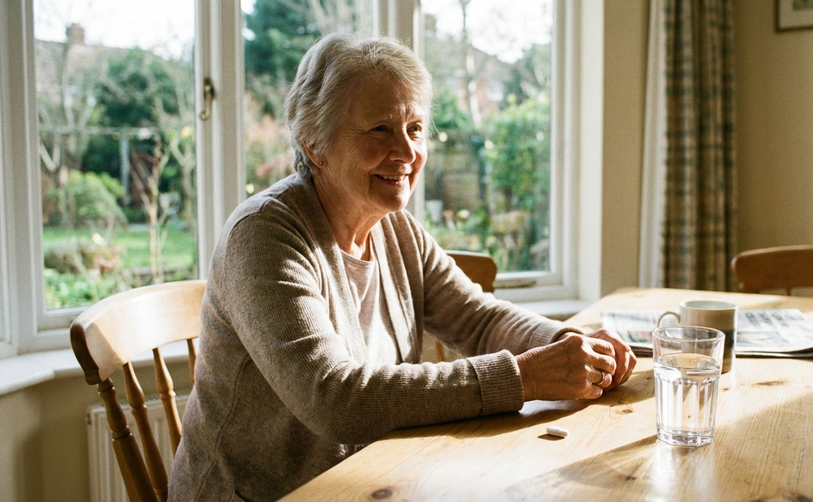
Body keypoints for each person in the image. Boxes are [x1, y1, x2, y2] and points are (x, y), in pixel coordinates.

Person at [169, 33, 636, 501]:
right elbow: (334, 399)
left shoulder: (396, 230)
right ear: (315, 145)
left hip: (371, 482)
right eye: (379, 130)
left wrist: (566, 344)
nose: (408, 152)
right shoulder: (264, 235)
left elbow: (478, 319)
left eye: (414, 128)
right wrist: (524, 377)